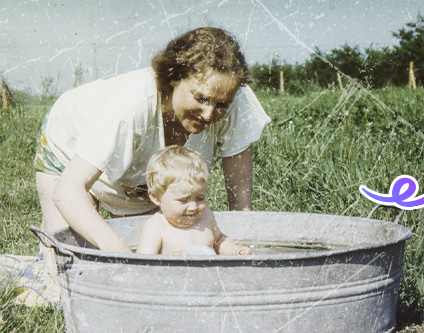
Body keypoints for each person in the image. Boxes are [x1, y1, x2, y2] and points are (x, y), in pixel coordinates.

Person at [34, 27, 270, 257]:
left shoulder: (234, 98)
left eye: (220, 105)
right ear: (174, 78)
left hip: (135, 179)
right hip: (69, 151)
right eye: (200, 98)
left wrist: (240, 254)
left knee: (165, 244)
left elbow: (241, 207)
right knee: (67, 263)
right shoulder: (132, 104)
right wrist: (126, 258)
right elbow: (68, 189)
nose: (209, 115)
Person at [135, 146, 251, 256]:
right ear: (156, 197)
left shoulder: (206, 216)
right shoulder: (156, 226)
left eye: (200, 198)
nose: (193, 207)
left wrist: (234, 250)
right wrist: (170, 260)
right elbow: (143, 265)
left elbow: (219, 240)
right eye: (183, 200)